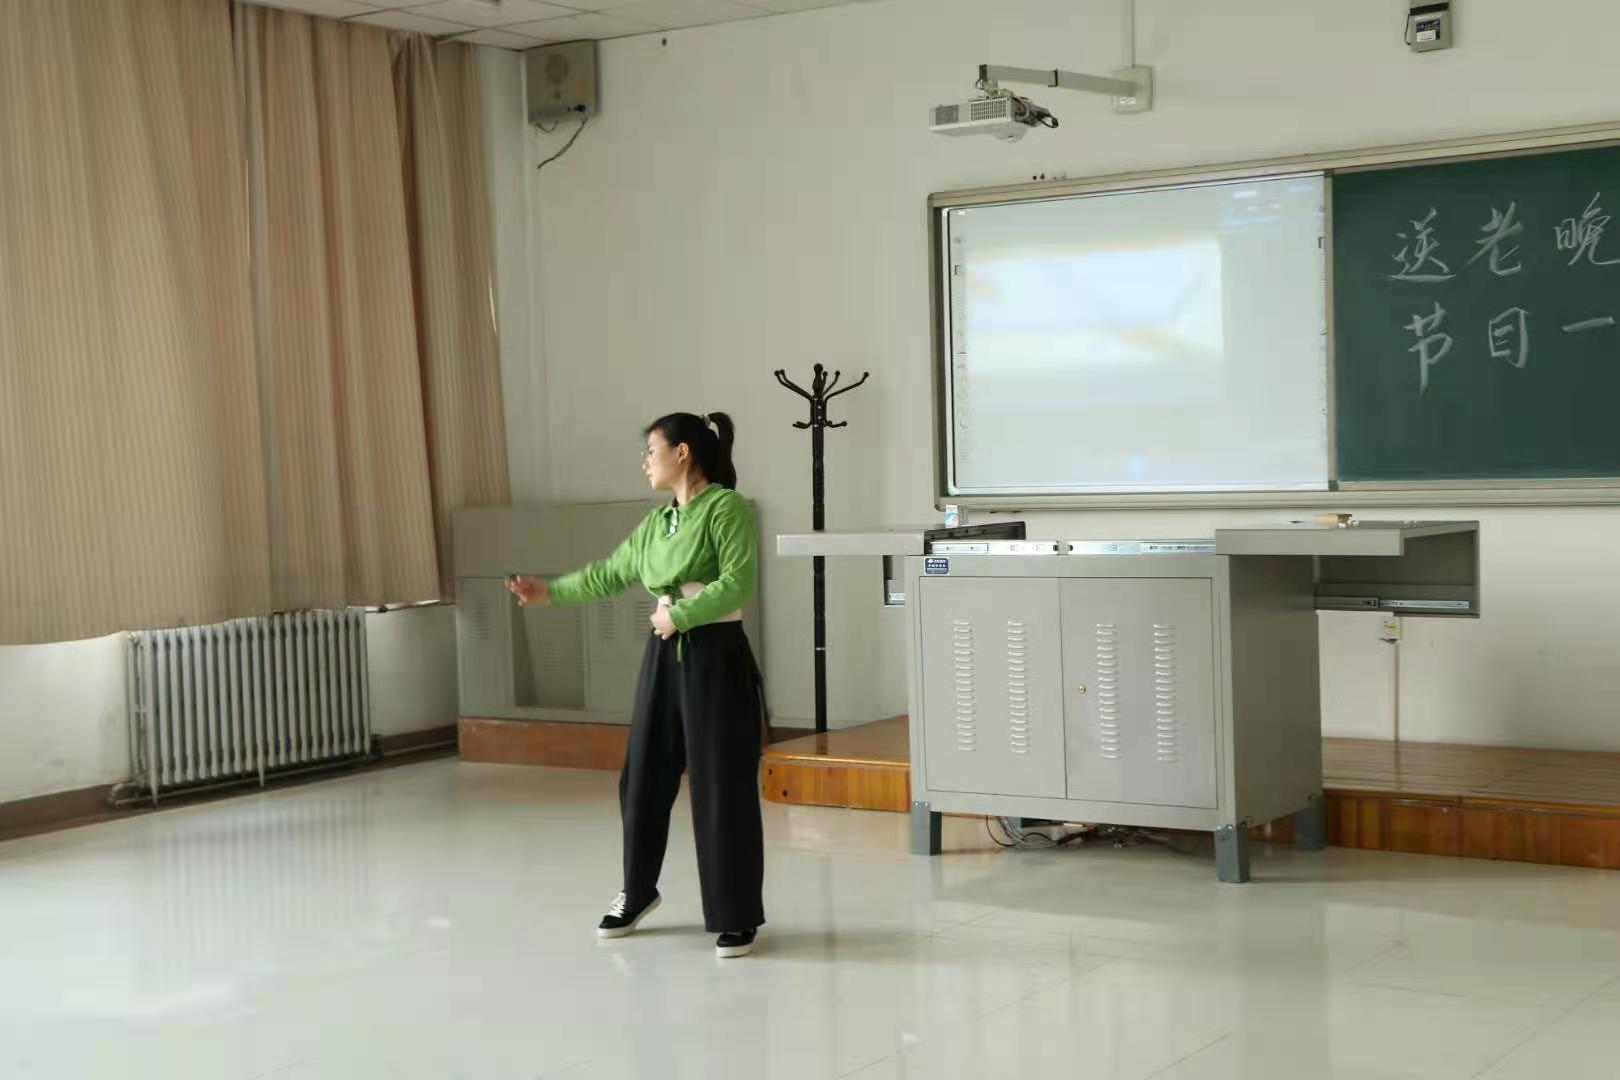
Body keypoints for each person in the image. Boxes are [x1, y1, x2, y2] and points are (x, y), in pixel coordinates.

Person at [506, 412, 766, 959]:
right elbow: (609, 573)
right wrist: (547, 593)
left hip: (715, 655)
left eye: (652, 450)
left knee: (720, 785)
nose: (645, 461)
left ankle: (736, 913)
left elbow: (737, 581)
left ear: (683, 452)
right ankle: (638, 890)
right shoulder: (656, 523)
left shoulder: (726, 508)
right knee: (643, 775)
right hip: (663, 654)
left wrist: (682, 615)